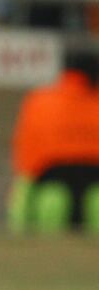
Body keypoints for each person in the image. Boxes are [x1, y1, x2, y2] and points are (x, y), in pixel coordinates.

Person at [10, 48, 99, 233]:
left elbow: (26, 157)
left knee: (42, 198)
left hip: (50, 188)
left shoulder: (40, 100)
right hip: (93, 190)